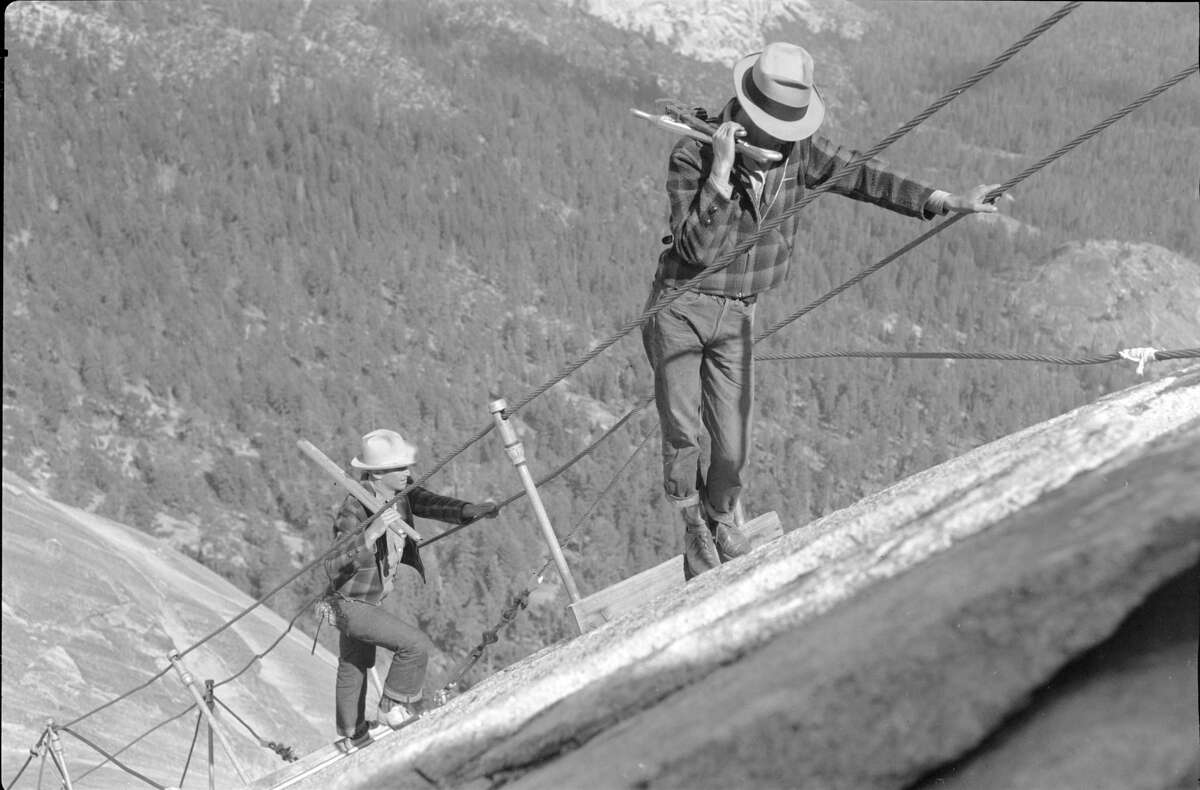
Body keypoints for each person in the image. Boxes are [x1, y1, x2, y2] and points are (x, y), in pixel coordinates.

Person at [642, 42, 1000, 579]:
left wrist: (945, 200)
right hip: (680, 306)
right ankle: (694, 529)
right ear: (747, 111)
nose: (782, 135)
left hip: (738, 311)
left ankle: (720, 517)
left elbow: (864, 177)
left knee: (733, 445)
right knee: (683, 433)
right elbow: (693, 250)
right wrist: (721, 173)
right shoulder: (693, 155)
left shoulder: (799, 153)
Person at [322, 428, 498, 745]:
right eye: (399, 468)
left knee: (355, 663)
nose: (407, 473)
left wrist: (467, 511)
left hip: (367, 598)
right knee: (414, 645)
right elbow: (333, 564)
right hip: (349, 603)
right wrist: (371, 534)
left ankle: (352, 734)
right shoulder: (354, 510)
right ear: (376, 474)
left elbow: (429, 502)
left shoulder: (399, 496)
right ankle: (393, 707)